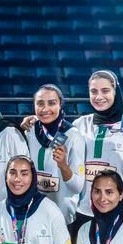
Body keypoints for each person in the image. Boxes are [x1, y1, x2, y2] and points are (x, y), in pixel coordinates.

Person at [68, 70, 123, 236]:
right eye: (94, 91)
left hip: (120, 211)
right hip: (84, 210)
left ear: (115, 91)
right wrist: (35, 122)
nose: (99, 97)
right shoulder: (80, 124)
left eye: (105, 91)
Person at [23, 85, 84, 226]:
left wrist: (63, 166)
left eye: (52, 103)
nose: (45, 109)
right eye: (40, 103)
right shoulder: (30, 130)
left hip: (63, 219)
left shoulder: (73, 136)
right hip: (35, 216)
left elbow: (77, 187)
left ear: (60, 105)